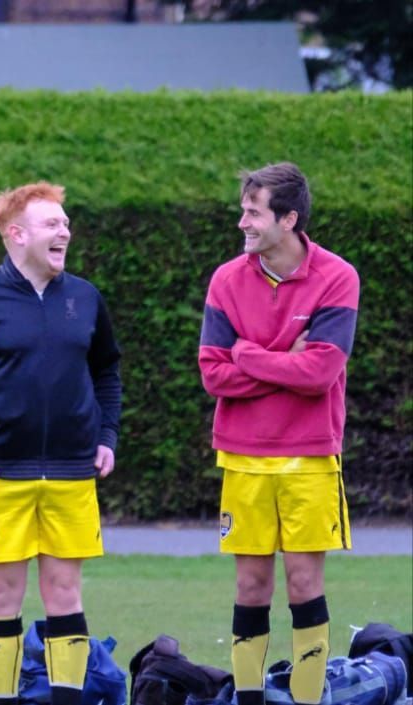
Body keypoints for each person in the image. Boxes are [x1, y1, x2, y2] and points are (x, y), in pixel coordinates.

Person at [0, 182, 122, 705]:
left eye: (66, 223)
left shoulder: (85, 298)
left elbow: (107, 370)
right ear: (16, 234)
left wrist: (107, 434)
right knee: (2, 596)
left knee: (65, 595)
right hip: (0, 475)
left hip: (73, 474)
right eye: (52, 223)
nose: (65, 231)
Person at [198, 163, 360, 705]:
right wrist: (278, 359)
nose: (242, 222)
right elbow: (213, 374)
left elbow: (319, 373)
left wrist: (247, 354)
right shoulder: (226, 280)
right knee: (250, 587)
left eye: (253, 212)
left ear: (288, 219)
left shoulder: (338, 277)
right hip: (242, 458)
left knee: (305, 587)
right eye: (243, 210)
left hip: (310, 459)